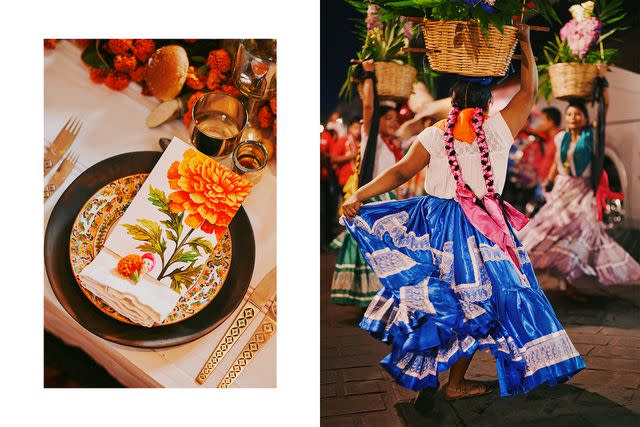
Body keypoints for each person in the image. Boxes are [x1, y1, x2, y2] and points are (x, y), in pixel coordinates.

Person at [340, 25, 585, 402]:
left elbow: (400, 172)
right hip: (483, 227)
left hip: (436, 226)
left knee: (448, 303)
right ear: (487, 105)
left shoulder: (438, 132)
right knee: (481, 302)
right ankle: (455, 383)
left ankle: (439, 378)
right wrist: (523, 43)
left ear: (453, 105)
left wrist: (361, 193)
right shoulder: (499, 129)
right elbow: (529, 89)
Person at [518, 84, 640, 299]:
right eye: (570, 114)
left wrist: (603, 88)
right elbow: (558, 162)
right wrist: (548, 179)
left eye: (577, 114)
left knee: (582, 230)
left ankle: (570, 280)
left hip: (582, 191)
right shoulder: (560, 138)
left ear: (585, 119)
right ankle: (536, 274)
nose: (573, 117)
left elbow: (603, 114)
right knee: (551, 229)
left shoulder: (591, 136)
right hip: (562, 190)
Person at [330, 60, 403, 307]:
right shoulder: (373, 139)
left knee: (390, 253)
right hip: (375, 203)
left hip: (390, 204)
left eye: (396, 118)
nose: (394, 122)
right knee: (381, 252)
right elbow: (369, 107)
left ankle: (385, 298)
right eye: (389, 118)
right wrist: (369, 76)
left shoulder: (392, 144)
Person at [331, 118, 361, 189]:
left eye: (360, 128)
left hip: (359, 180)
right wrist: (350, 156)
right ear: (350, 128)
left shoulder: (362, 141)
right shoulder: (342, 141)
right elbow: (333, 159)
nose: (358, 131)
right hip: (346, 181)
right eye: (355, 128)